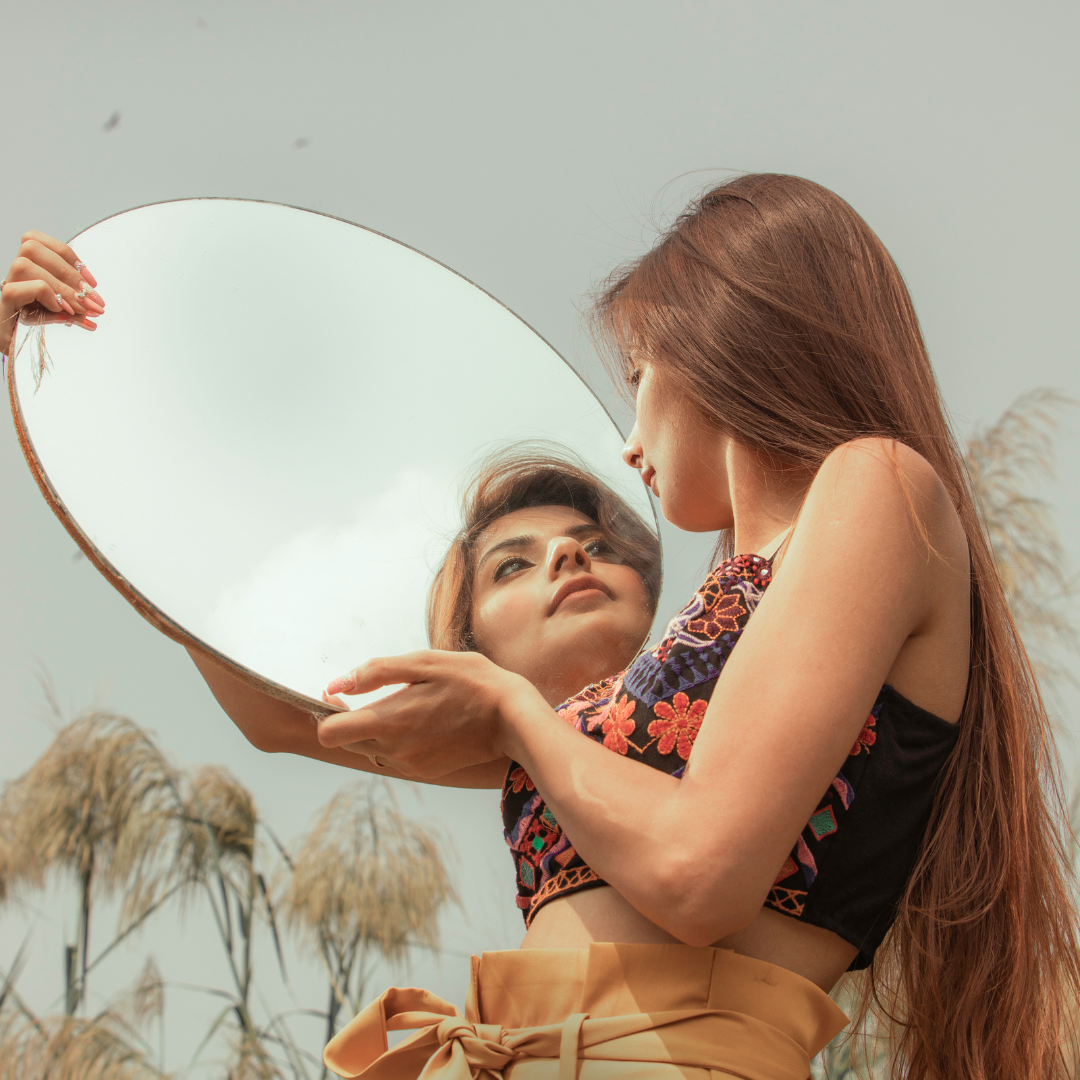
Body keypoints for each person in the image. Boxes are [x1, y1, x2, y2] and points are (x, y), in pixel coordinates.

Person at [311, 175, 1080, 1079]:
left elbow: (698, 874)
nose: (629, 443)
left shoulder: (878, 482)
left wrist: (515, 712)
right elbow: (296, 713)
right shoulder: (699, 631)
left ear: (717, 347)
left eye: (637, 380)